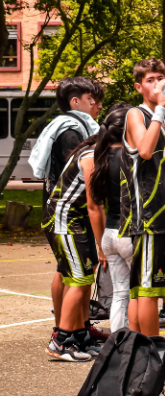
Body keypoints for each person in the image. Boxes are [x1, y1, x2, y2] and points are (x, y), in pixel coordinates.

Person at [122, 57, 165, 385]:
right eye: (151, 80)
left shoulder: (158, 119)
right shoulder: (138, 115)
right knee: (147, 291)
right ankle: (154, 364)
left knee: (144, 289)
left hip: (162, 215)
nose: (158, 85)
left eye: (162, 79)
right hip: (146, 216)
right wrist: (161, 109)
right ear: (139, 86)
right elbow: (146, 151)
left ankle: (138, 357)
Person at [42, 107, 126, 360]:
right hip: (64, 221)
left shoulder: (99, 151)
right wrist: (102, 246)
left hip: (73, 221)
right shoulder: (91, 156)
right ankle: (61, 340)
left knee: (80, 276)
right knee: (80, 279)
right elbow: (94, 205)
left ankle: (80, 333)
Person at [30, 77, 101, 347]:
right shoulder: (72, 132)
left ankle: (77, 328)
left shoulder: (74, 127)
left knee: (70, 270)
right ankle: (64, 333)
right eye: (90, 99)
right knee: (75, 274)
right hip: (66, 212)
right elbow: (79, 177)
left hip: (67, 211)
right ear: (75, 102)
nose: (96, 104)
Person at [87, 102, 134, 333]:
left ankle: (118, 346)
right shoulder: (132, 159)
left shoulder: (101, 159)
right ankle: (139, 347)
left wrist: (100, 246)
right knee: (138, 295)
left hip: (109, 235)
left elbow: (95, 205)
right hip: (130, 234)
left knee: (119, 295)